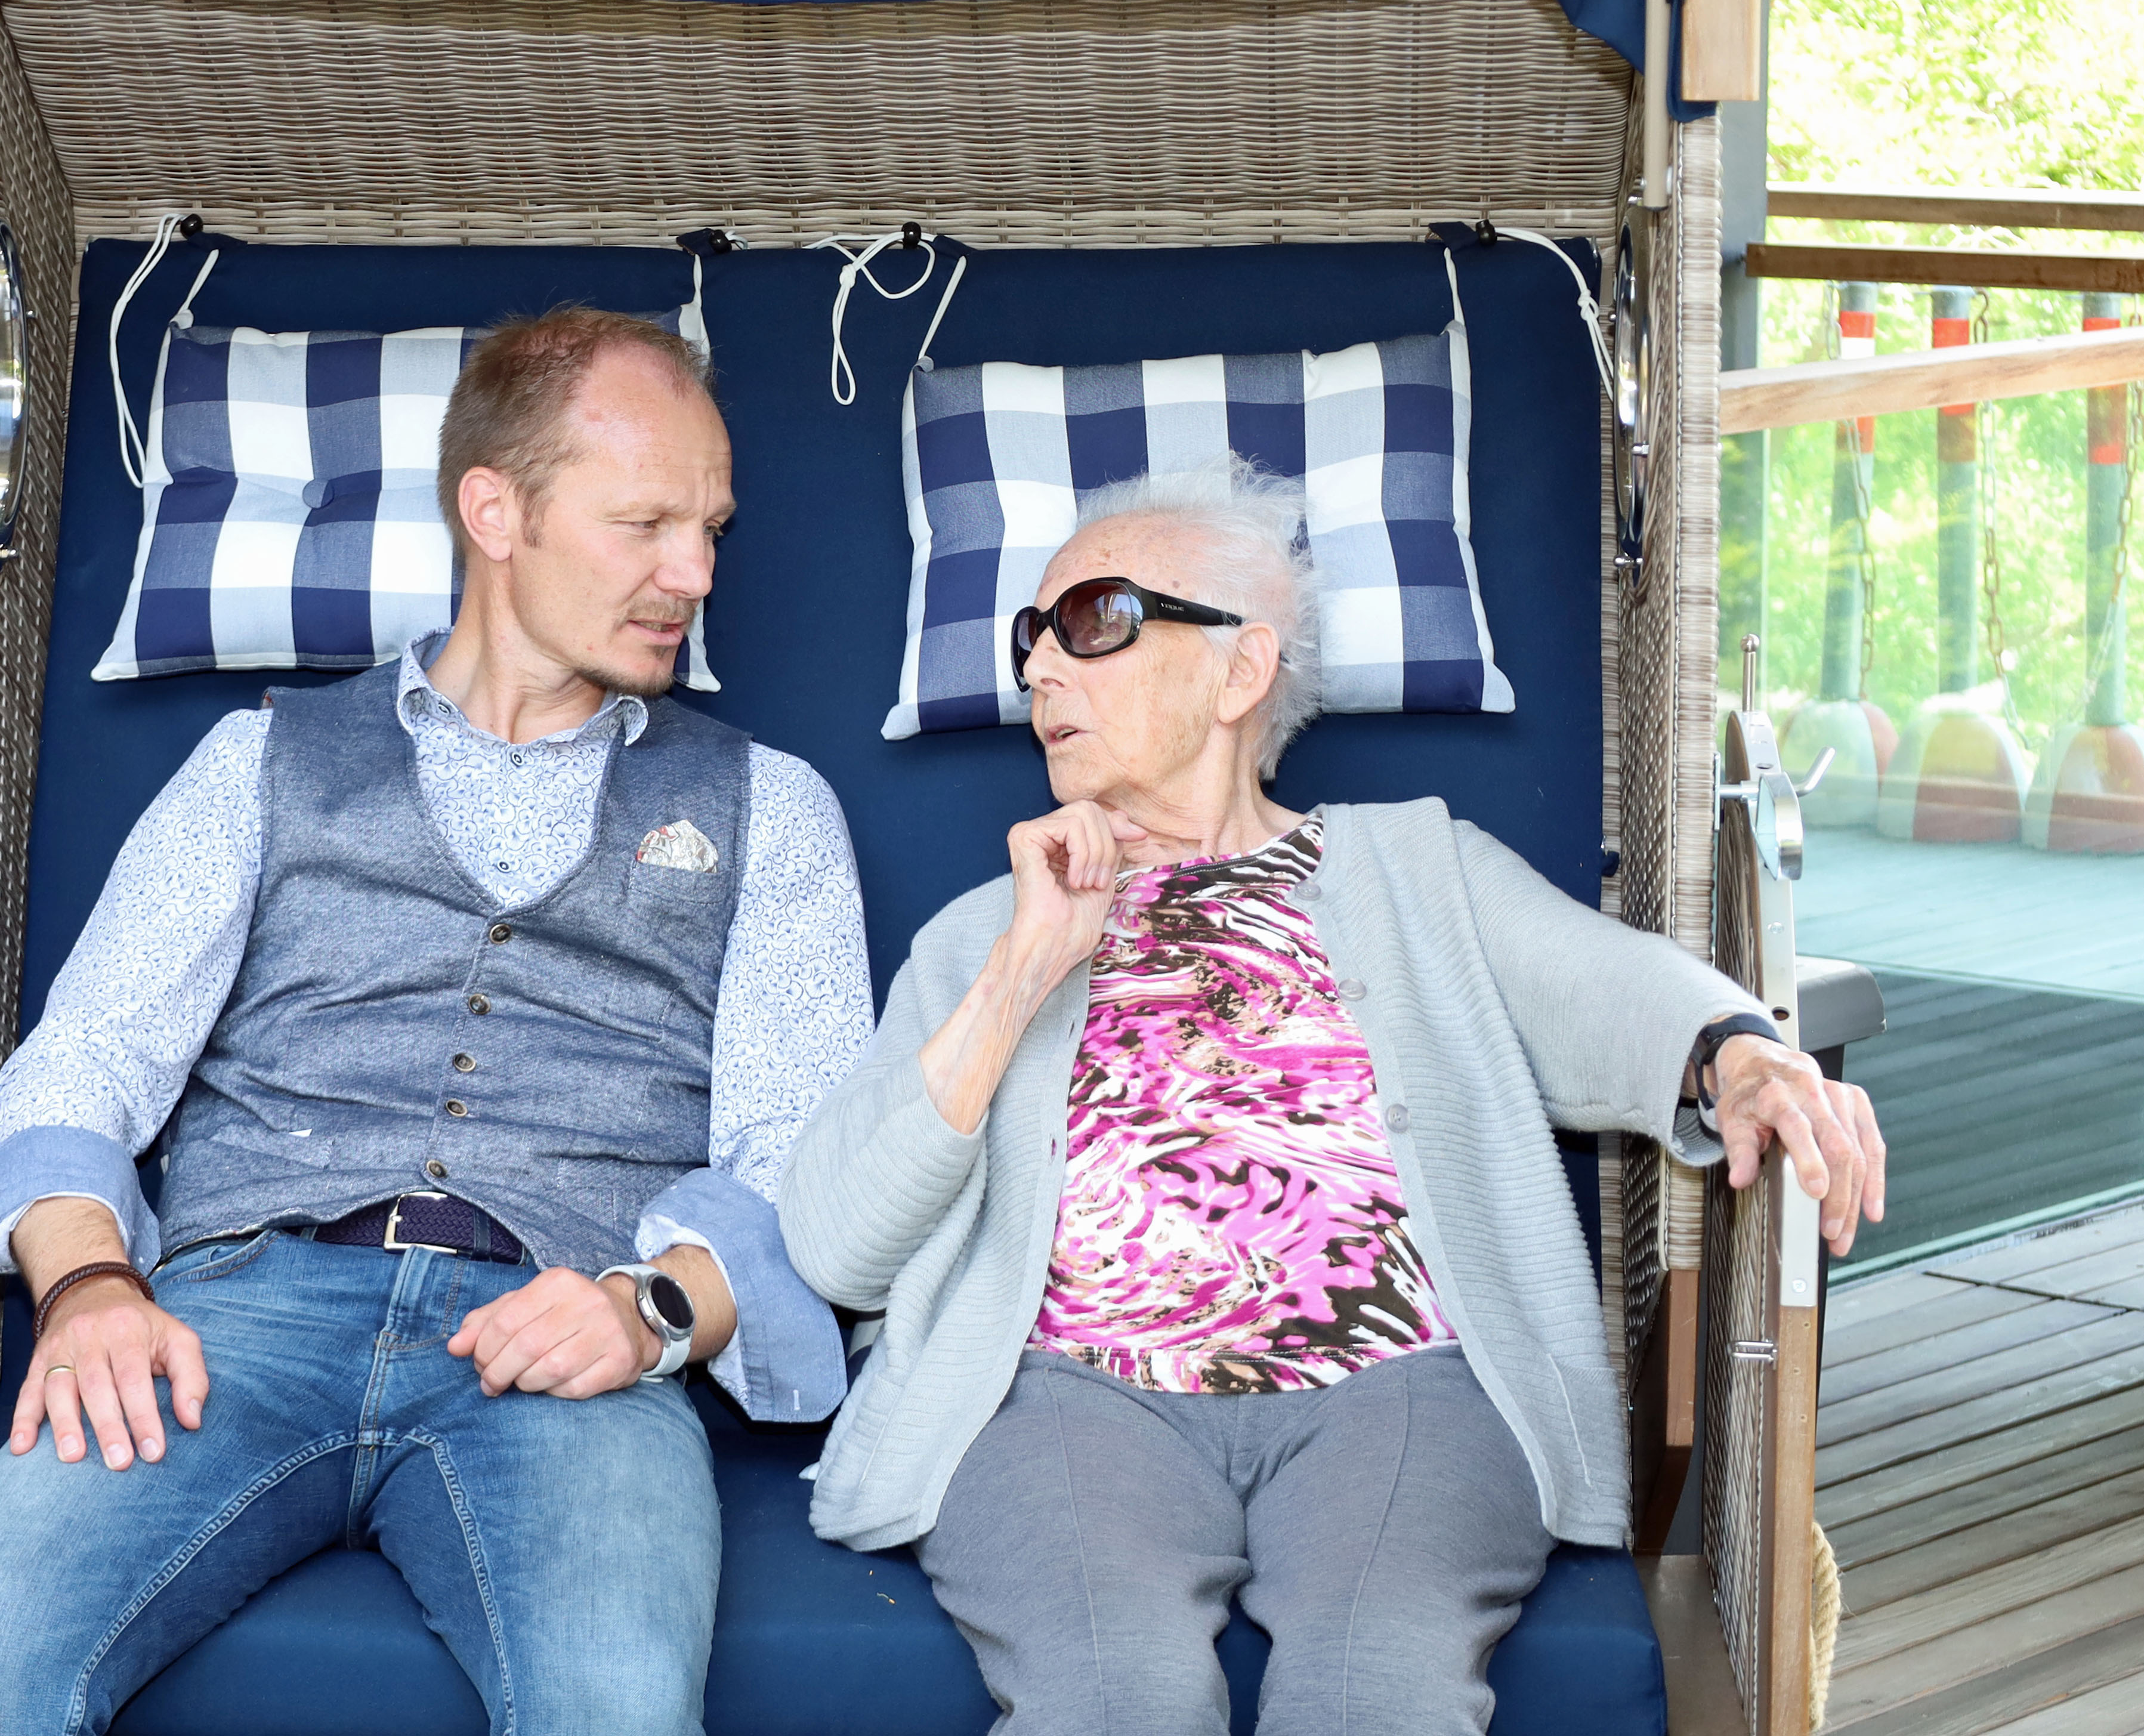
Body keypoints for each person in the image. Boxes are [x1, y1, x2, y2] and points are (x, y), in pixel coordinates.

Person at [778, 461, 1885, 1736]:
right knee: (1110, 1696)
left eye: (1092, 622)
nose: (1038, 669)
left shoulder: (1413, 868)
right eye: (1031, 637)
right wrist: (1022, 970)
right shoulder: (984, 929)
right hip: (1061, 1399)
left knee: (1377, 1693)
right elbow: (834, 1247)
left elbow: (1607, 990)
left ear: (1240, 672)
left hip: (1403, 1388)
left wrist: (1739, 1055)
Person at [0, 307, 870, 1736]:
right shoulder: (259, 762)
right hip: (236, 1311)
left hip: (568, 1338)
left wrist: (651, 1309)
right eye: (647, 523)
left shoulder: (772, 807)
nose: (695, 574)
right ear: (496, 511)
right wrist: (91, 1286)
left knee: (613, 1704)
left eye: (711, 529)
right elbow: (87, 1060)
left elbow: (805, 1154)